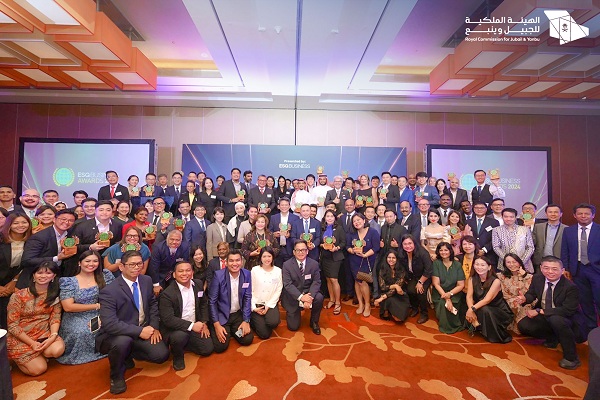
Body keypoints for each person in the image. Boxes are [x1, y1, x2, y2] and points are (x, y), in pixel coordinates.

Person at [96, 250, 169, 394]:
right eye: (132, 264)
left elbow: (153, 305)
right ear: (121, 267)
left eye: (139, 264)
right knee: (122, 342)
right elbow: (110, 324)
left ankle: (129, 353)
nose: (137, 267)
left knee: (161, 355)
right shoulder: (109, 291)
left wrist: (154, 326)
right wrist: (140, 331)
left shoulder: (146, 280)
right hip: (118, 334)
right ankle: (116, 375)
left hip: (143, 327)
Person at [516, 256, 584, 370]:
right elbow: (532, 294)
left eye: (554, 269)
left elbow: (567, 310)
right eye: (546, 268)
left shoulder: (570, 287)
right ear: (541, 268)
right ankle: (553, 338)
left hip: (566, 318)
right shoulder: (538, 278)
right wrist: (525, 299)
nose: (550, 272)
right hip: (546, 315)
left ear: (562, 270)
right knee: (524, 325)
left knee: (556, 320)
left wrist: (539, 311)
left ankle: (572, 358)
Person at [7, 261, 64, 376]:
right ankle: (20, 358)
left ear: (54, 276)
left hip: (44, 334)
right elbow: (12, 325)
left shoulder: (54, 295)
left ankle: (40, 354)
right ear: (33, 275)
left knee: (57, 350)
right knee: (39, 369)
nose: (43, 276)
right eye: (39, 273)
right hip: (22, 338)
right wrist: (32, 343)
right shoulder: (18, 296)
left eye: (48, 273)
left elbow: (55, 317)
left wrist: (53, 336)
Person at [57, 250, 114, 364]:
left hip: (101, 313)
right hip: (76, 315)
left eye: (95, 261)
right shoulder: (69, 282)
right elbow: (68, 307)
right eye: (87, 261)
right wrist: (96, 306)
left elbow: (113, 297)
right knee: (81, 331)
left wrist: (103, 315)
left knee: (111, 326)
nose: (91, 264)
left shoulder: (105, 276)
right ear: (79, 263)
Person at [159, 261, 213, 371]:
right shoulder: (167, 294)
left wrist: (204, 323)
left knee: (207, 349)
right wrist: (192, 326)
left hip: (194, 325)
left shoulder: (198, 284)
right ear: (174, 275)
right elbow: (168, 319)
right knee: (179, 337)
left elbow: (203, 304)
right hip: (175, 328)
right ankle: (178, 355)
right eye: (181, 271)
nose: (185, 273)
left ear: (192, 272)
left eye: (188, 270)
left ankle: (185, 343)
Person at [561, 203, 600, 334]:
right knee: (585, 301)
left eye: (587, 213)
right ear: (575, 215)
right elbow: (565, 251)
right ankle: (592, 331)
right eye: (580, 213)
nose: (583, 216)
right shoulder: (568, 231)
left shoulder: (599, 229)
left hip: (597, 271)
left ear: (593, 215)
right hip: (578, 270)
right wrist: (566, 268)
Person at [208, 249, 254, 352]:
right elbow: (212, 301)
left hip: (237, 315)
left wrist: (246, 320)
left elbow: (247, 297)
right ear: (226, 262)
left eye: (237, 260)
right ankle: (225, 331)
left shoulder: (246, 274)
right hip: (222, 315)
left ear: (241, 262)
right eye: (231, 261)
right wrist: (216, 324)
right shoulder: (218, 276)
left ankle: (233, 331)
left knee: (247, 339)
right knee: (220, 346)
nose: (235, 264)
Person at [19, 209, 77, 288]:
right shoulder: (40, 237)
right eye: (63, 219)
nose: (66, 222)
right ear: (54, 219)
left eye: (71, 220)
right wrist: (57, 258)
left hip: (56, 278)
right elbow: (27, 260)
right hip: (34, 280)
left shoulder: (71, 235)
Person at [67, 200, 124, 277]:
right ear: (95, 211)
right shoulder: (81, 226)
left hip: (108, 264)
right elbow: (73, 247)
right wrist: (90, 247)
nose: (104, 212)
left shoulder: (117, 225)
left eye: (108, 210)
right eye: (101, 210)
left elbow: (117, 243)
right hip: (87, 263)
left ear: (112, 211)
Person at [465, 256, 513, 343]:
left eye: (483, 265)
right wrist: (470, 309)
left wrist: (471, 309)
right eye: (477, 264)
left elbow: (487, 300)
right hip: (480, 307)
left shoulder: (495, 281)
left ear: (489, 267)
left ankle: (494, 335)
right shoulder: (472, 279)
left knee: (484, 309)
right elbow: (469, 296)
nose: (479, 267)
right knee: (475, 308)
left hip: (499, 311)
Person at [281, 240, 324, 334]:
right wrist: (301, 297)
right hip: (294, 296)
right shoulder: (287, 265)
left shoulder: (314, 264)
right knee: (293, 327)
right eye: (298, 250)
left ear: (307, 251)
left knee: (319, 297)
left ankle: (314, 322)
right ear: (294, 252)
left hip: (309, 293)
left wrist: (309, 297)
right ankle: (295, 311)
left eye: (303, 250)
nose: (301, 252)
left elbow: (316, 281)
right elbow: (288, 284)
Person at [0, 213, 32, 329]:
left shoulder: (32, 241)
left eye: (24, 222)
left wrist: (14, 281)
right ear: (9, 224)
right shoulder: (1, 239)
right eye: (16, 223)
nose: (20, 225)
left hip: (18, 279)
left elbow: (28, 264)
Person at [346, 213, 380, 317]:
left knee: (363, 282)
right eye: (354, 221)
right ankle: (361, 304)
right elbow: (347, 246)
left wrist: (365, 255)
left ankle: (367, 304)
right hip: (354, 260)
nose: (357, 222)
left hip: (367, 260)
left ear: (364, 220)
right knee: (357, 281)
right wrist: (352, 250)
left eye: (358, 220)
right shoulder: (351, 234)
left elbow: (376, 247)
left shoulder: (373, 232)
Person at [431, 242, 466, 334]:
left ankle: (456, 324)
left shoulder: (457, 265)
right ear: (438, 252)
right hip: (440, 293)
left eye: (446, 250)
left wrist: (450, 294)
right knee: (443, 304)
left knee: (456, 306)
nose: (443, 252)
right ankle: (446, 327)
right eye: (441, 250)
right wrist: (446, 298)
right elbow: (436, 284)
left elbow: (461, 285)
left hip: (455, 292)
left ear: (450, 251)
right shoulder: (436, 263)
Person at [397, 234, 432, 324]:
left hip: (425, 276)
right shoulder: (401, 253)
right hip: (413, 276)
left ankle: (424, 314)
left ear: (414, 243)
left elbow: (428, 270)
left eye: (410, 243)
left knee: (420, 291)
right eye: (405, 244)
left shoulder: (423, 253)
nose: (408, 246)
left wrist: (420, 282)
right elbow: (402, 268)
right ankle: (415, 308)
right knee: (409, 290)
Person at [250, 247, 282, 339]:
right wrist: (253, 308)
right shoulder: (255, 270)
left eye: (269, 256)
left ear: (273, 257)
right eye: (264, 256)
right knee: (265, 335)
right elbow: (250, 290)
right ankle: (252, 320)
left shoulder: (278, 271)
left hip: (270, 303)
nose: (267, 259)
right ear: (260, 257)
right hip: (257, 304)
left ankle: (266, 319)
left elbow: (278, 289)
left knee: (273, 323)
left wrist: (268, 306)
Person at [497, 253, 533, 335]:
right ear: (505, 264)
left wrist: (524, 276)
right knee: (515, 304)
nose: (511, 264)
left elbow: (529, 293)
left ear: (519, 263)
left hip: (524, 302)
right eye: (508, 262)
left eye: (514, 262)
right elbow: (503, 294)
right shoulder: (500, 276)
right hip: (507, 302)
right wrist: (514, 299)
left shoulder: (529, 277)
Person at [320, 209, 346, 315]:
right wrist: (322, 245)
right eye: (327, 216)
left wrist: (336, 248)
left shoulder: (339, 228)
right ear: (325, 218)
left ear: (335, 218)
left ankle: (338, 303)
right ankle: (331, 299)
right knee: (328, 279)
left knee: (334, 279)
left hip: (335, 257)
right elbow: (319, 242)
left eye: (331, 216)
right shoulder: (322, 228)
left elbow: (343, 242)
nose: (329, 218)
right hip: (325, 257)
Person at [492, 208, 534, 273]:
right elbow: (496, 247)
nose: (508, 219)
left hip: (524, 264)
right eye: (506, 216)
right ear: (502, 217)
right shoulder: (496, 230)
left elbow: (530, 247)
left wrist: (521, 261)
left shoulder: (524, 229)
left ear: (515, 218)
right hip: (504, 265)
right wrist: (508, 261)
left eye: (511, 217)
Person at [148, 230, 190, 295]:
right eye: (172, 239)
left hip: (175, 276)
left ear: (181, 241)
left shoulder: (185, 247)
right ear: (167, 239)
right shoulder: (158, 248)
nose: (174, 242)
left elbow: (184, 264)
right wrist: (156, 284)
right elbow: (154, 267)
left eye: (177, 240)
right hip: (160, 276)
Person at [374, 250, 409, 322]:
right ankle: (387, 310)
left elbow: (397, 289)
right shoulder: (382, 269)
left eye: (393, 258)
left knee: (399, 319)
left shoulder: (401, 270)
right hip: (386, 293)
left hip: (399, 294)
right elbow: (383, 287)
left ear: (397, 259)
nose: (391, 260)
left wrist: (381, 299)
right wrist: (395, 286)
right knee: (388, 302)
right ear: (386, 258)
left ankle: (390, 310)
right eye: (389, 257)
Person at [532, 204, 567, 271]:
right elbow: (533, 243)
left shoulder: (566, 229)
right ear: (546, 214)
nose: (553, 214)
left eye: (556, 212)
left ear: (561, 214)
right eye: (550, 212)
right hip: (540, 261)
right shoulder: (538, 227)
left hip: (559, 262)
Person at [269, 197, 300, 266]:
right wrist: (273, 234)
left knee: (290, 268)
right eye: (282, 205)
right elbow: (269, 232)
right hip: (277, 248)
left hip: (290, 248)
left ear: (289, 206)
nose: (284, 207)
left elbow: (297, 233)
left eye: (286, 205)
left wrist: (290, 235)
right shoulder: (273, 217)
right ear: (278, 206)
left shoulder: (295, 218)